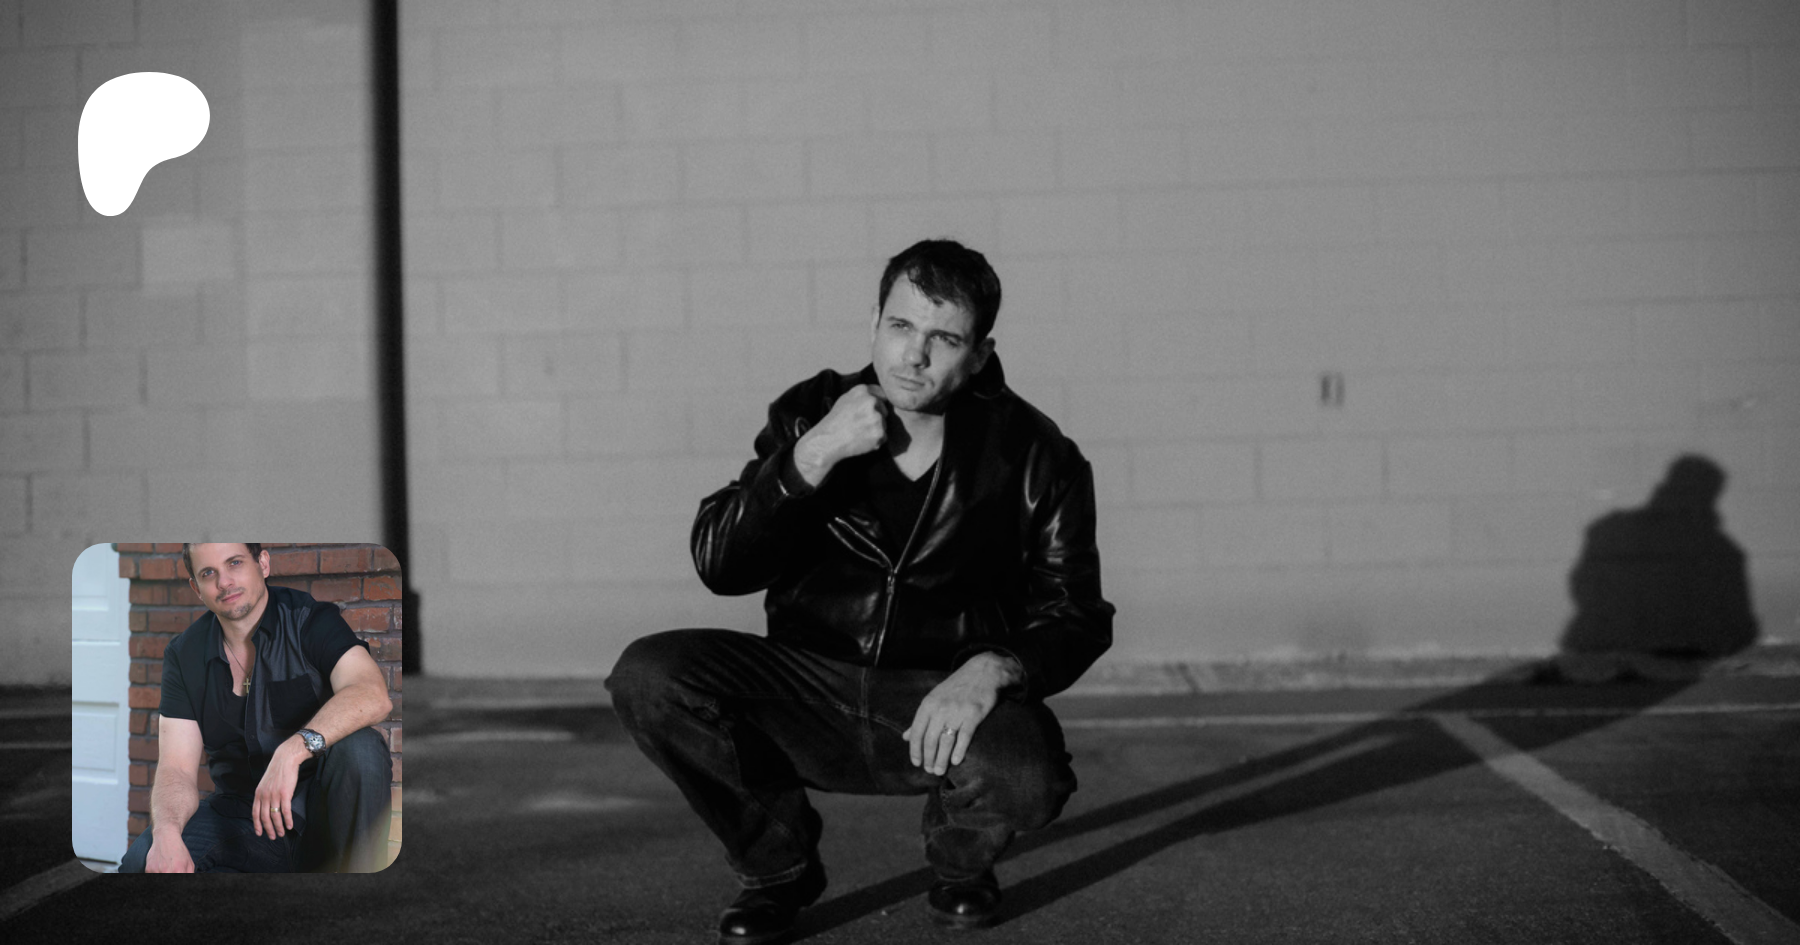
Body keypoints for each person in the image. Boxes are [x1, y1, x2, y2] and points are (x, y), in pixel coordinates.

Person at [607, 239, 1114, 942]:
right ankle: (777, 871)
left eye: (944, 339)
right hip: (809, 684)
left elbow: (1077, 612)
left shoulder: (1037, 456)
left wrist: (995, 667)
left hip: (939, 696)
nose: (914, 355)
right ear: (874, 321)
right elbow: (721, 564)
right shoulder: (811, 412)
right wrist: (812, 455)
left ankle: (961, 862)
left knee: (1026, 773)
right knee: (650, 675)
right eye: (900, 326)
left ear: (980, 353)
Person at [118, 542, 394, 873]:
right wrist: (166, 833)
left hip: (325, 812)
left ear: (262, 563)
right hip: (241, 819)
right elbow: (176, 768)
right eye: (209, 573)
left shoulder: (309, 620)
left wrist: (292, 751)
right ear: (196, 588)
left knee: (362, 747)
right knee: (141, 860)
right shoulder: (184, 654)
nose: (224, 582)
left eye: (234, 563)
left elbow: (371, 693)